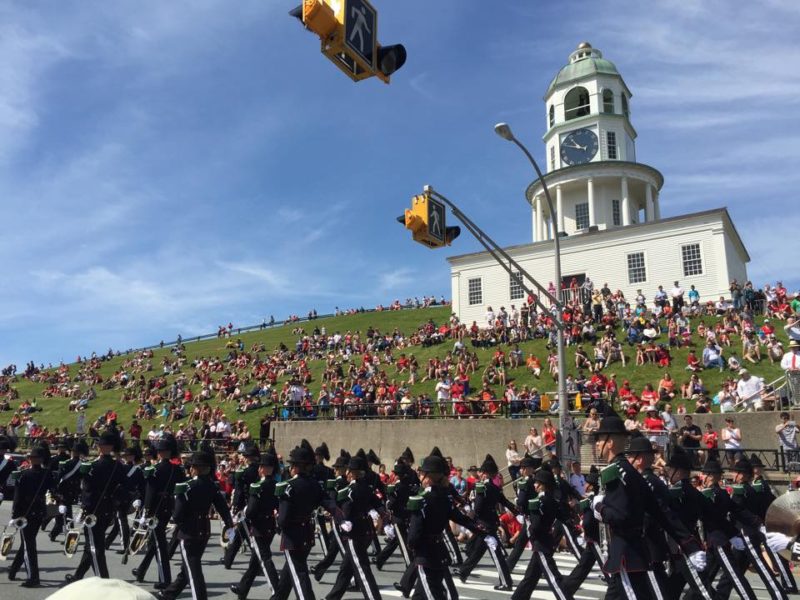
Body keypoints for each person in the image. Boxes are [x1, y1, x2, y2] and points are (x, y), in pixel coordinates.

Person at [592, 415, 704, 599]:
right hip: (634, 554)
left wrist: (600, 508)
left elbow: (621, 517)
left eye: (599, 440)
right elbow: (662, 513)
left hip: (626, 554)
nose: (597, 444)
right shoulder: (631, 473)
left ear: (610, 442)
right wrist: (690, 546)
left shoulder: (616, 473)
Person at [155, 450, 235, 600]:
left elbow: (177, 515)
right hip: (204, 531)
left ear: (196, 468)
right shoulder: (212, 486)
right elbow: (223, 508)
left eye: (192, 466)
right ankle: (169, 594)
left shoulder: (186, 486)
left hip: (188, 532)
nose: (190, 469)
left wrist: (177, 519)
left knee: (194, 571)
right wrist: (229, 525)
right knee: (189, 567)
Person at [406, 451, 480, 600]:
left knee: (431, 593)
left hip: (425, 554)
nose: (420, 476)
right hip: (439, 550)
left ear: (428, 477)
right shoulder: (444, 497)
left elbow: (415, 532)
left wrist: (412, 544)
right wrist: (478, 528)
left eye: (422, 474)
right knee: (423, 594)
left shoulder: (422, 499)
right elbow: (461, 518)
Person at [271, 440, 338, 600]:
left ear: (296, 467)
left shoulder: (289, 486)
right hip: (307, 531)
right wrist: (340, 516)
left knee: (299, 575)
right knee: (290, 572)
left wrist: (278, 522)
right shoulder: (315, 485)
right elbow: (329, 503)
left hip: (293, 535)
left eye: (292, 464)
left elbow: (284, 518)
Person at [66, 430, 129, 583]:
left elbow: (70, 480)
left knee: (96, 548)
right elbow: (126, 488)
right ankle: (78, 575)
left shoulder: (92, 465)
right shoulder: (118, 466)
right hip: (108, 510)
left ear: (100, 447)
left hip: (92, 510)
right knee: (91, 544)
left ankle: (104, 582)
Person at [326, 453, 387, 600]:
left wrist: (341, 520)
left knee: (362, 568)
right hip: (366, 529)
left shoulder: (350, 490)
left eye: (348, 470)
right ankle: (332, 597)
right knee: (346, 569)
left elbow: (346, 510)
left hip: (354, 531)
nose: (346, 473)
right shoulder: (367, 487)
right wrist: (382, 514)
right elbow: (378, 505)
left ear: (352, 473)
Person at [511, 469, 575, 600]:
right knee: (530, 577)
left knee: (554, 578)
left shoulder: (538, 502)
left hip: (541, 543)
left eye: (537, 483)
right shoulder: (553, 500)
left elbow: (535, 526)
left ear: (543, 485)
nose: (535, 485)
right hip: (546, 540)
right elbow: (564, 517)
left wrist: (532, 535)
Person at [456, 454, 517, 590]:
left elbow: (477, 508)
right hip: (491, 522)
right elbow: (505, 502)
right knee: (478, 550)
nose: (480, 474)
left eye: (481, 472)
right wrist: (517, 510)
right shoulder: (495, 488)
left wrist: (471, 514)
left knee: (497, 555)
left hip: (484, 524)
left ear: (485, 473)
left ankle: (506, 582)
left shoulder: (481, 487)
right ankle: (463, 571)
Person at [132, 434, 186, 588]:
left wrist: (146, 511)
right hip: (168, 508)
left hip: (155, 511)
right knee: (155, 541)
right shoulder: (178, 470)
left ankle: (165, 579)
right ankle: (141, 570)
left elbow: (150, 493)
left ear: (160, 452)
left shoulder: (154, 470)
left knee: (160, 545)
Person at [230, 450, 280, 599]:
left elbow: (251, 510)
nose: (259, 469)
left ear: (265, 468)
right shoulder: (277, 485)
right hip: (270, 523)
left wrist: (244, 512)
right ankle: (242, 588)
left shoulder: (258, 486)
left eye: (261, 467)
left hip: (258, 526)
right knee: (255, 561)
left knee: (264, 559)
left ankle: (278, 591)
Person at [7, 445, 50, 587]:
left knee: (29, 545)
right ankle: (13, 571)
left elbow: (18, 497)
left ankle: (33, 577)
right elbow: (53, 491)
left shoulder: (24, 474)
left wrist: (14, 515)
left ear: (31, 459)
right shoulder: (47, 474)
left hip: (25, 514)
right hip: (39, 513)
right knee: (27, 542)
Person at [223, 444, 261, 569]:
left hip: (245, 506)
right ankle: (228, 559)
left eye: (245, 456)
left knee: (248, 537)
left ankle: (257, 563)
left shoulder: (244, 472)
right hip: (258, 506)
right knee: (240, 533)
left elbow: (239, 491)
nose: (244, 458)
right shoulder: (260, 470)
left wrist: (236, 506)